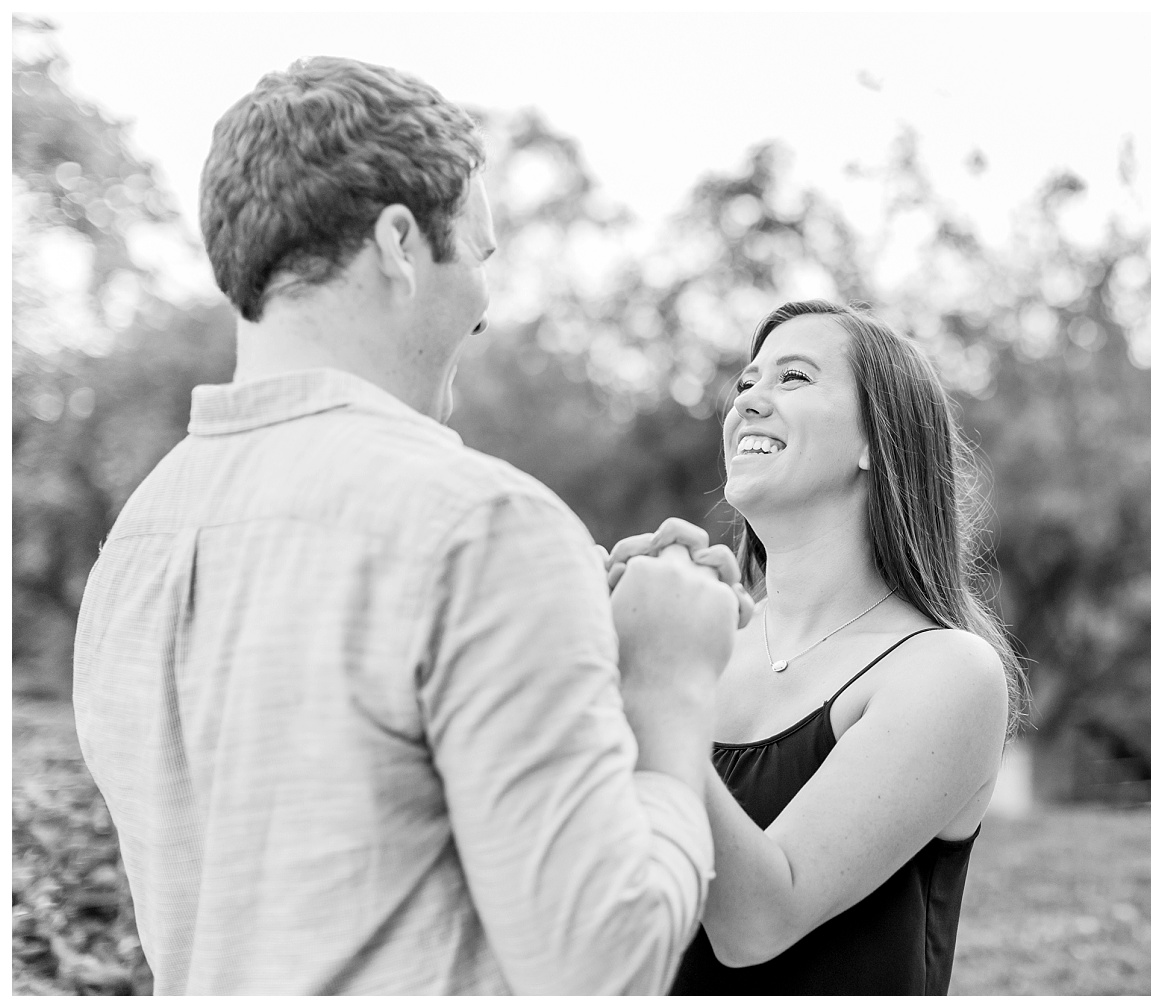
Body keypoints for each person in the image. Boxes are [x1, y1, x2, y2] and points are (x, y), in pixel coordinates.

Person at [70, 56, 747, 996]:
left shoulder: (137, 544)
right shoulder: (483, 525)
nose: (484, 303)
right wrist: (667, 683)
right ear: (397, 244)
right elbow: (604, 963)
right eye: (478, 252)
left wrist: (558, 639)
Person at [607, 300, 1025, 995]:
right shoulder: (700, 647)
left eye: (793, 379)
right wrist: (586, 660)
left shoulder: (946, 671)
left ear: (875, 441)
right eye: (745, 385)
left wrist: (655, 683)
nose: (748, 403)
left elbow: (757, 926)